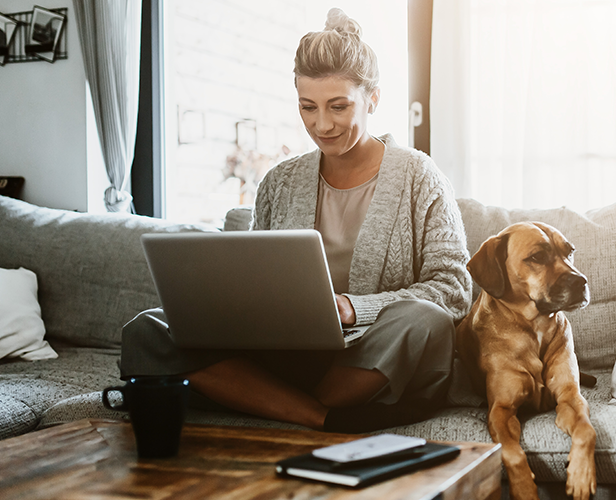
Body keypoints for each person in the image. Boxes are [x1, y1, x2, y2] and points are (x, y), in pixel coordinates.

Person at [119, 8, 472, 432]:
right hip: (286, 354)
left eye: (338, 106)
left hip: (371, 356)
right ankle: (323, 417)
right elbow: (253, 277)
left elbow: (452, 290)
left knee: (424, 320)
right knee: (146, 329)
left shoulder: (419, 176)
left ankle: (263, 398)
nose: (322, 124)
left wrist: (352, 309)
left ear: (373, 99)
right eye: (308, 107)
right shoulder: (279, 181)